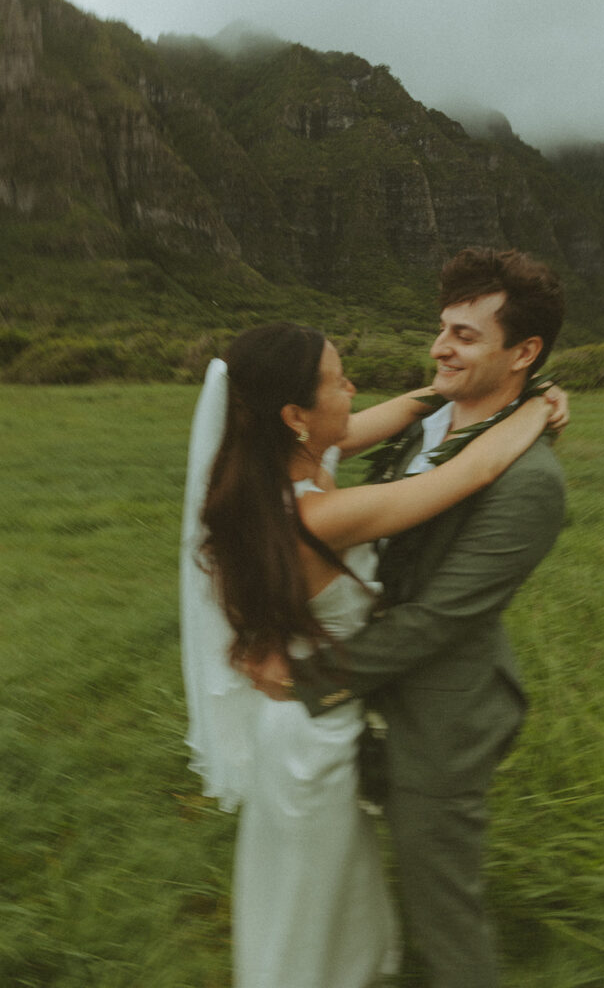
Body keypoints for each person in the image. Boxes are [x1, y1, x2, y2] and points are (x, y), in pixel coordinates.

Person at [180, 308, 565, 987]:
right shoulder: (320, 513)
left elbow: (400, 411)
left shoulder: (274, 466)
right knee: (307, 904)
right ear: (297, 416)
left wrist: (472, 382)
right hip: (312, 735)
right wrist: (537, 405)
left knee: (323, 894)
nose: (353, 390)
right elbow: (471, 473)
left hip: (299, 722)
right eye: (339, 381)